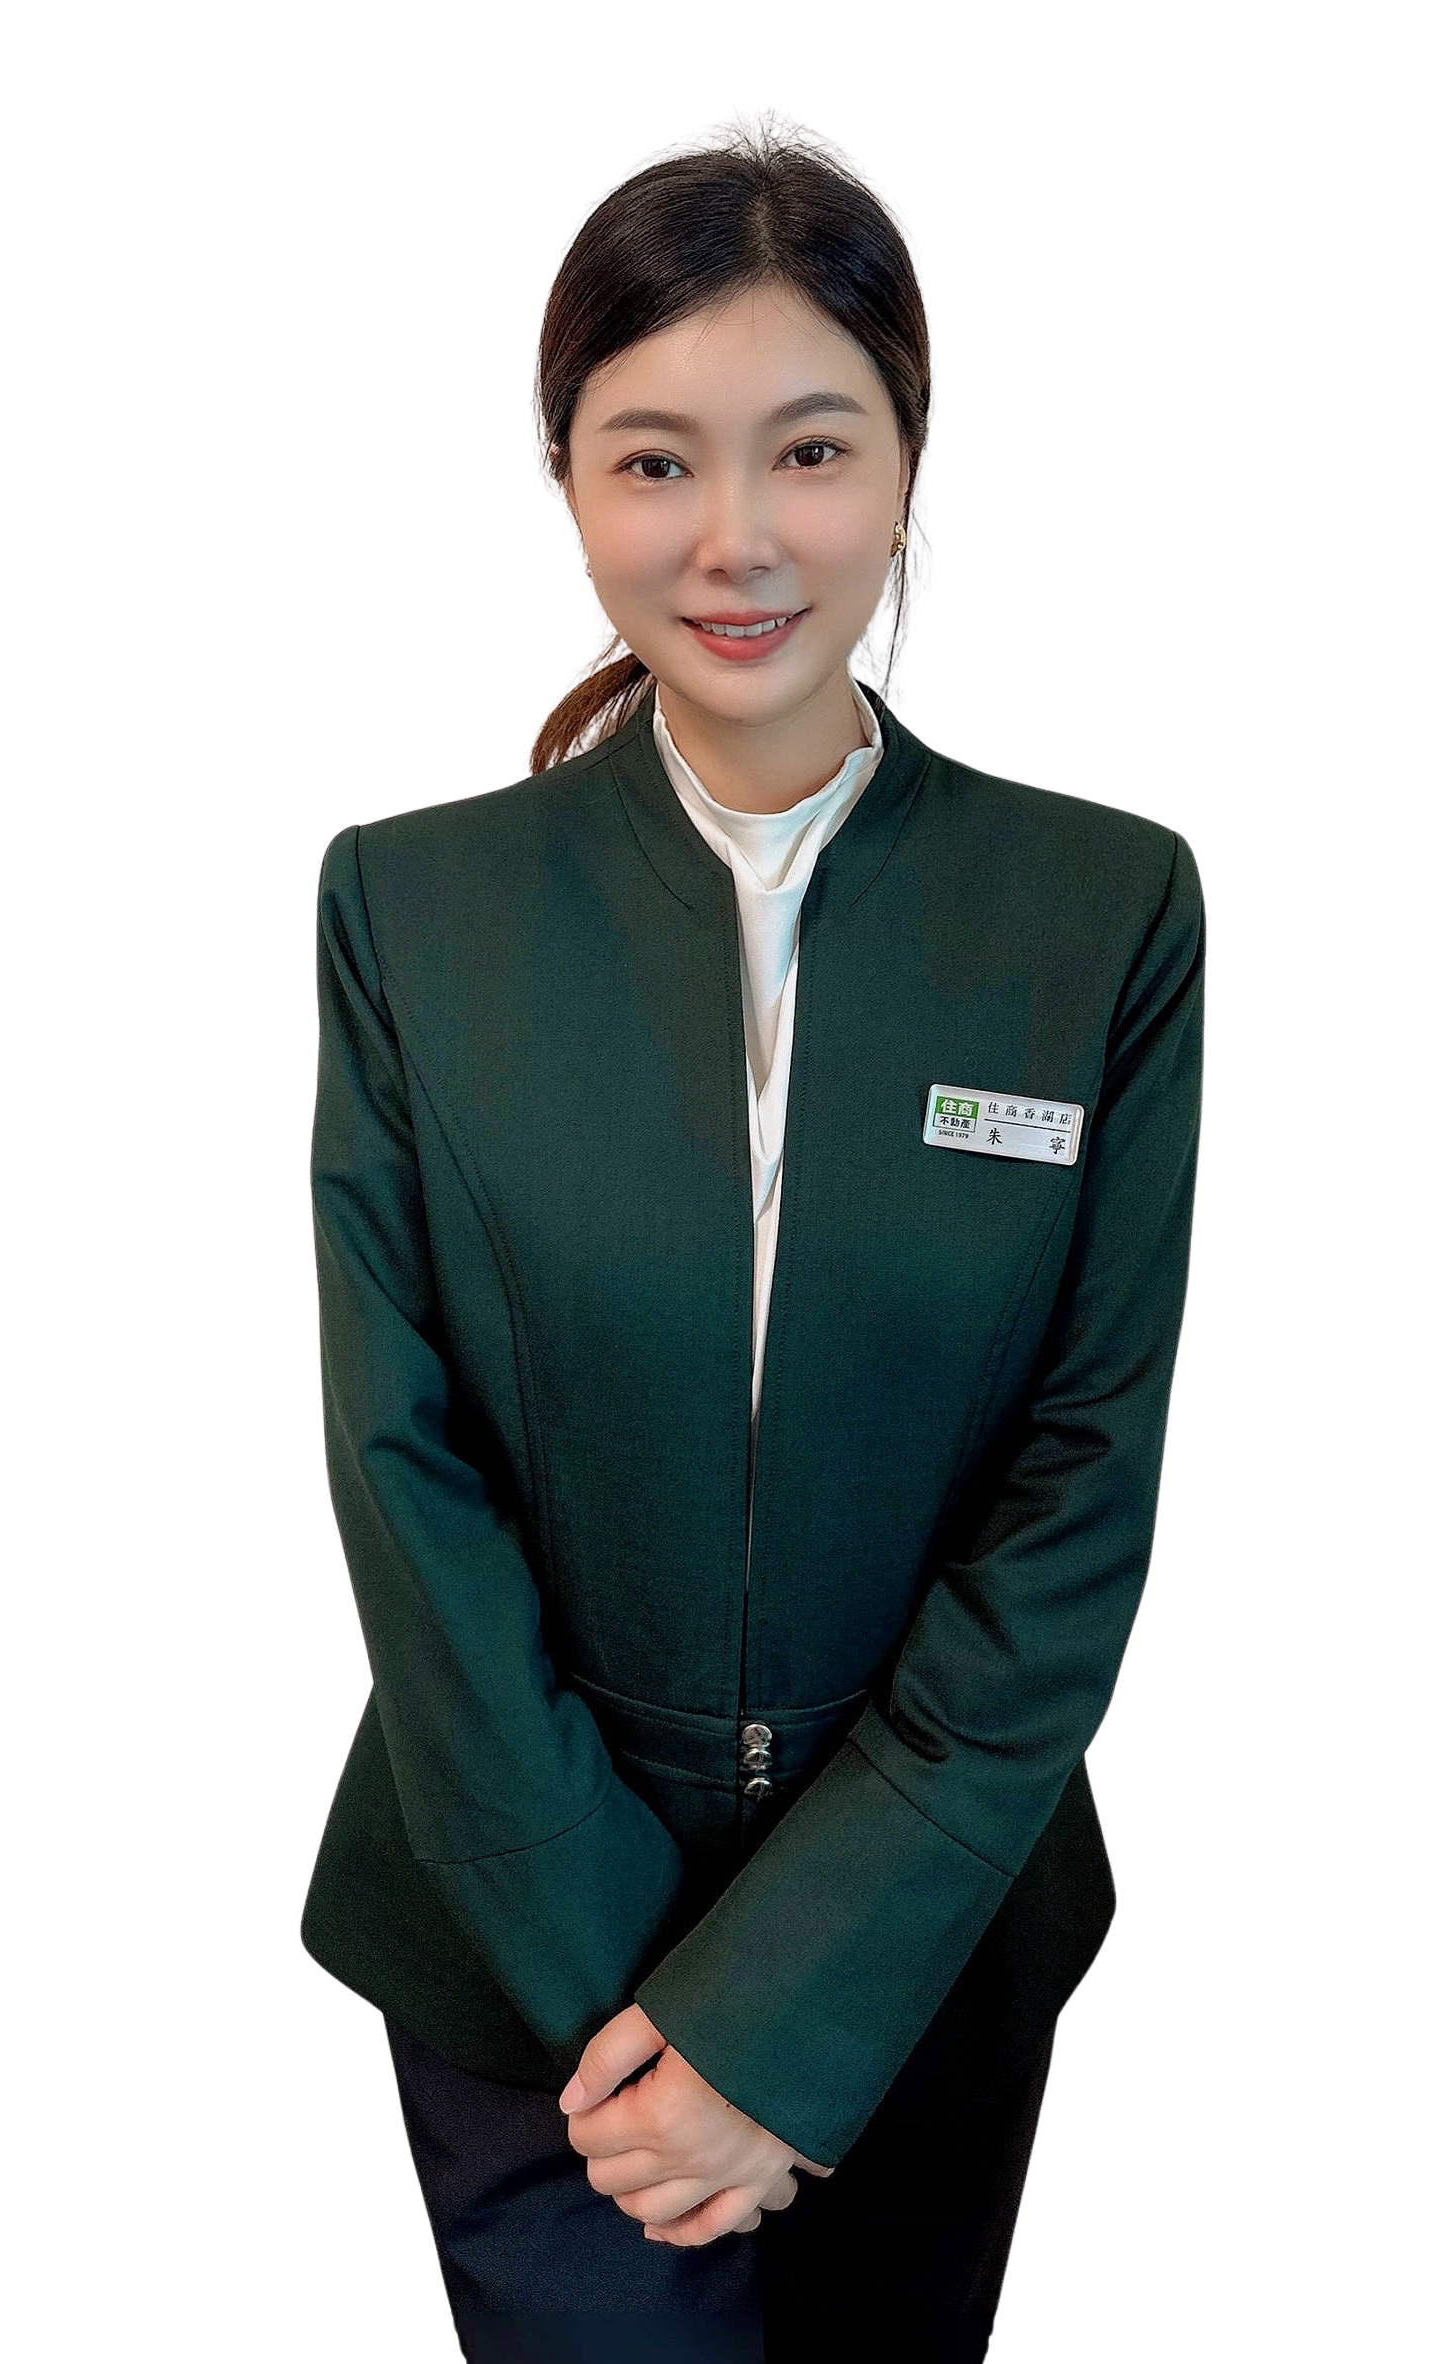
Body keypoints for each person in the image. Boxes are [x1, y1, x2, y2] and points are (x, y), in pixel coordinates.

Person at [301, 105, 1205, 2364]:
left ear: (905, 474)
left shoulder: (1104, 908)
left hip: (933, 1944)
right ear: (559, 483)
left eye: (808, 450)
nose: (735, 539)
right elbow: (399, 1469)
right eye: (652, 460)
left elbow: (1080, 1491)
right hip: (527, 1963)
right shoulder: (405, 906)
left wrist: (791, 2013)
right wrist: (654, 2031)